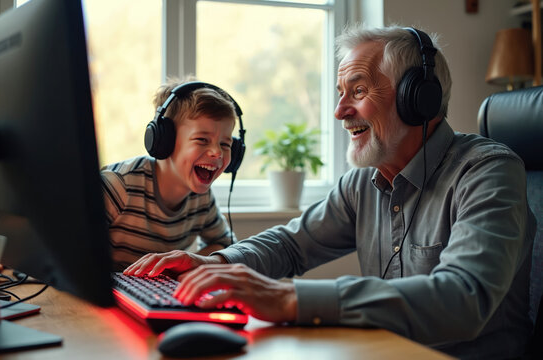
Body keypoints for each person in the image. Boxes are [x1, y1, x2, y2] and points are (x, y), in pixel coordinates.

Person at [124, 25, 536, 359]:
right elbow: (291, 245)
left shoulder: (487, 170)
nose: (339, 111)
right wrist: (215, 263)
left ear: (418, 100)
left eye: (357, 91)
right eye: (340, 94)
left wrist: (291, 298)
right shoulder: (363, 181)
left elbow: (463, 298)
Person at [101, 78, 239, 271]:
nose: (217, 152)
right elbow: (70, 249)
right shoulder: (119, 186)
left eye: (225, 144)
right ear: (164, 141)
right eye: (202, 139)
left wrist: (187, 262)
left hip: (150, 295)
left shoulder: (202, 199)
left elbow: (227, 246)